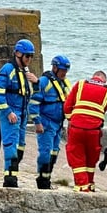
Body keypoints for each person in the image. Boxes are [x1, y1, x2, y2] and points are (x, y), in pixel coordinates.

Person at [0, 38, 39, 188]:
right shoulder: (8, 69)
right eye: (27, 56)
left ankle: (14, 172)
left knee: (20, 147)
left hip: (23, 115)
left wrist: (36, 82)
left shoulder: (25, 72)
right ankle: (10, 179)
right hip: (11, 114)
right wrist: (8, 112)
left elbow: (31, 94)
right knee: (11, 146)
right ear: (18, 54)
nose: (30, 59)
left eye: (32, 56)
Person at [28, 54, 72, 190]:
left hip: (58, 124)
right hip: (46, 122)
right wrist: (37, 122)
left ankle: (48, 177)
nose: (64, 73)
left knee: (54, 151)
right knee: (45, 152)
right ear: (54, 68)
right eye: (62, 70)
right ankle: (42, 180)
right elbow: (34, 103)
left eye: (66, 70)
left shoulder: (64, 83)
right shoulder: (44, 82)